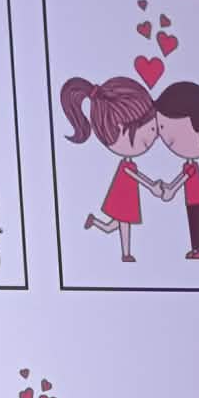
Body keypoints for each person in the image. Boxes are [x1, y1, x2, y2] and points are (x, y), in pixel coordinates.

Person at [62, 75, 171, 262]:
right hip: (123, 198)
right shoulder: (127, 165)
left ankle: (94, 222)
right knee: (123, 225)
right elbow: (135, 176)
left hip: (125, 196)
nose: (154, 134)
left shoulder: (129, 162)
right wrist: (151, 186)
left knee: (113, 226)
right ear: (118, 131)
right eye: (148, 128)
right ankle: (126, 254)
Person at [155, 81, 199, 259]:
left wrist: (171, 190)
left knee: (198, 223)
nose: (165, 137)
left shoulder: (192, 166)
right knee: (194, 223)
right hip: (192, 199)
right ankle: (197, 249)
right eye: (161, 128)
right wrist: (170, 187)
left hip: (198, 200)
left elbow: (184, 179)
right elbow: (181, 178)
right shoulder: (188, 164)